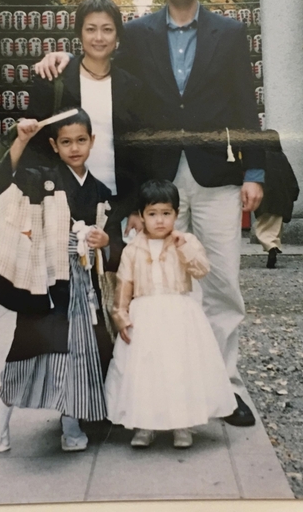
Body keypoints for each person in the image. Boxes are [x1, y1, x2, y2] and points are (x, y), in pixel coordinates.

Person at [35, 0, 264, 426]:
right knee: (157, 288)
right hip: (159, 182)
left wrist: (255, 170)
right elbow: (100, 61)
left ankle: (225, 387)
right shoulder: (138, 34)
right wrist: (59, 54)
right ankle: (162, 387)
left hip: (216, 177)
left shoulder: (229, 32)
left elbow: (247, 106)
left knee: (220, 280)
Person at [0, 109, 121, 453]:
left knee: (83, 353)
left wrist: (107, 243)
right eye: (66, 142)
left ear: (92, 141)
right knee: (32, 350)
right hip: (46, 280)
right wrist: (22, 140)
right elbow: (3, 185)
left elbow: (114, 243)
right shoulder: (39, 178)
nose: (75, 148)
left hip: (85, 283)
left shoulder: (101, 190)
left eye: (81, 140)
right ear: (54, 146)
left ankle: (71, 424)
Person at [105, 180, 235, 449]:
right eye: (152, 214)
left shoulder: (186, 241)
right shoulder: (133, 249)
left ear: (176, 214)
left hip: (178, 313)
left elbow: (202, 270)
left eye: (167, 214)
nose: (160, 221)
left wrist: (183, 247)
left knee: (179, 367)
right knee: (146, 370)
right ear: (141, 216)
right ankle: (144, 424)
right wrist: (121, 316)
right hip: (145, 315)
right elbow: (124, 286)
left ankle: (182, 424)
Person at [24, 0, 145, 232]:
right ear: (79, 33)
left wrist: (136, 208)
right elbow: (35, 147)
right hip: (61, 205)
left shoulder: (132, 87)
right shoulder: (53, 81)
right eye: (91, 29)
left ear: (117, 36)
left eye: (107, 30)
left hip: (116, 207)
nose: (99, 38)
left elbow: (140, 155)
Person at [252, 130, 299, 269]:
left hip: (264, 197)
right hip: (281, 199)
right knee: (274, 227)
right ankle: (273, 246)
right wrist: (293, 195)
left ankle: (270, 246)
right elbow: (291, 180)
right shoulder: (281, 157)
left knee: (262, 225)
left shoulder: (259, 158)